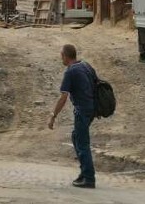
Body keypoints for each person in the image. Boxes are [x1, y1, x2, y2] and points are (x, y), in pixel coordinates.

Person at [48, 44, 96, 188]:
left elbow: (63, 97)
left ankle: (89, 178)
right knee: (76, 137)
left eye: (61, 55)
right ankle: (84, 172)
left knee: (82, 143)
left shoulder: (71, 72)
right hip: (91, 108)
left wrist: (53, 116)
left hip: (82, 110)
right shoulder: (85, 65)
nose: (60, 58)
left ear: (65, 56)